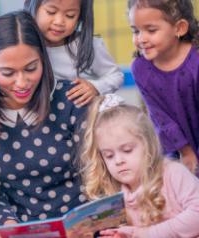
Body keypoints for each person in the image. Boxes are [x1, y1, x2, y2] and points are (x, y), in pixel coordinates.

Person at [0, 10, 87, 231]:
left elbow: (94, 169)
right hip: (17, 227)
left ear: (43, 60)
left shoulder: (71, 98)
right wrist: (9, 226)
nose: (22, 82)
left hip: (80, 223)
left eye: (31, 69)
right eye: (8, 73)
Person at [79, 94, 199, 238]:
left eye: (127, 150)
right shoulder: (115, 195)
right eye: (109, 155)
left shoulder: (173, 173)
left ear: (148, 145)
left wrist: (145, 234)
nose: (118, 161)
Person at [128, 0, 199, 175]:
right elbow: (160, 117)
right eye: (136, 31)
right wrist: (186, 152)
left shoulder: (196, 61)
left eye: (151, 30)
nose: (141, 39)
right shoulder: (141, 68)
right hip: (177, 147)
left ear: (179, 28)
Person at [24, 0, 124, 107]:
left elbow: (116, 76)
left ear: (80, 17)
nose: (59, 22)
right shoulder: (26, 46)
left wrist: (95, 87)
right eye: (51, 12)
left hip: (88, 115)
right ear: (31, 5)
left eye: (70, 15)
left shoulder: (87, 45)